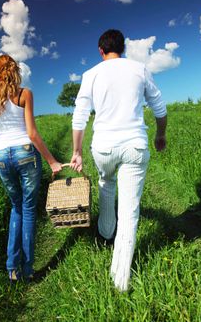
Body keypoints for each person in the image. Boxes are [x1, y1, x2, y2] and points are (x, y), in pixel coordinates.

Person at [70, 29, 168, 292]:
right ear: (122, 48)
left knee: (106, 183)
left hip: (103, 147)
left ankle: (104, 234)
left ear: (101, 51)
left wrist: (77, 152)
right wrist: (160, 135)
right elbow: (160, 108)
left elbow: (79, 116)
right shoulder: (139, 69)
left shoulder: (91, 74)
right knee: (130, 211)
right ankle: (120, 281)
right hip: (135, 145)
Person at [0, 54, 62, 282]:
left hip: (1, 156)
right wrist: (52, 161)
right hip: (25, 152)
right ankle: (28, 270)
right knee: (28, 208)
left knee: (16, 207)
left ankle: (12, 269)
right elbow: (32, 133)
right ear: (14, 71)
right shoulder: (24, 94)